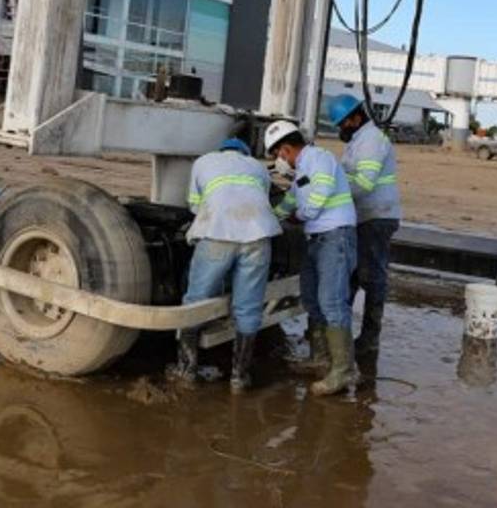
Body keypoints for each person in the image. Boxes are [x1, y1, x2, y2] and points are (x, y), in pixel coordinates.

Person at [168, 137, 280, 392]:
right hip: (259, 235)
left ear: (222, 150)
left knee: (197, 298)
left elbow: (195, 205)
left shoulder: (204, 162)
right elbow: (262, 198)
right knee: (249, 307)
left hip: (218, 234)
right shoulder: (258, 166)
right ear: (245, 152)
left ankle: (186, 370)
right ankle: (239, 378)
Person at [266, 119, 358, 396]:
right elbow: (291, 200)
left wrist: (298, 216)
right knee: (311, 298)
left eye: (276, 156)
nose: (278, 162)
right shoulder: (302, 170)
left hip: (334, 237)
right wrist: (270, 216)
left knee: (332, 301)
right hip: (316, 239)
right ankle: (321, 358)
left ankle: (344, 370)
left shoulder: (319, 158)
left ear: (284, 150)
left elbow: (317, 197)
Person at [326, 94, 402, 356]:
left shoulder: (371, 141)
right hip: (363, 216)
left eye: (343, 124)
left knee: (372, 277)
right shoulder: (358, 141)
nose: (340, 129)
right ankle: (341, 334)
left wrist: (331, 195)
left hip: (376, 217)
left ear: (356, 118)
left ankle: (370, 337)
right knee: (352, 275)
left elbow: (365, 183)